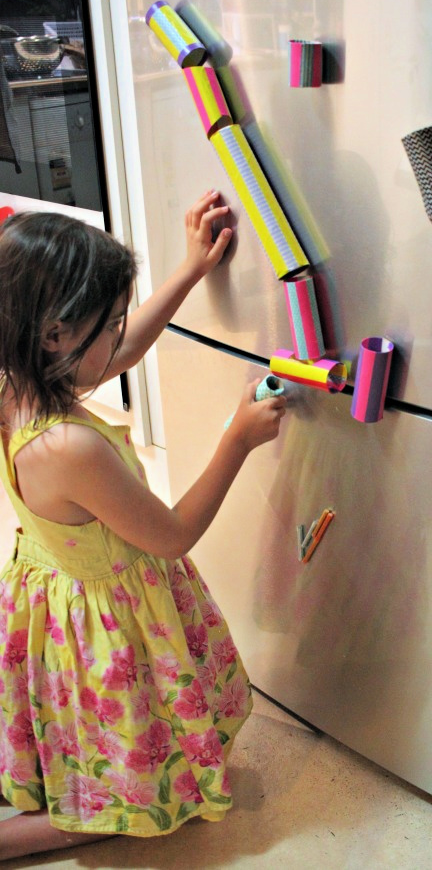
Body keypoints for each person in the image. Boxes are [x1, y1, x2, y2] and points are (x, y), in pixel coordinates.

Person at [0, 192, 286, 862]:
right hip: (109, 620)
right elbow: (173, 533)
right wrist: (237, 442)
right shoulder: (70, 448)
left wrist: (188, 269)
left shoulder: (18, 382)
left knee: (78, 734)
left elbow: (116, 354)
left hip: (56, 597)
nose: (119, 334)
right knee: (126, 805)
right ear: (56, 337)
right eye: (111, 321)